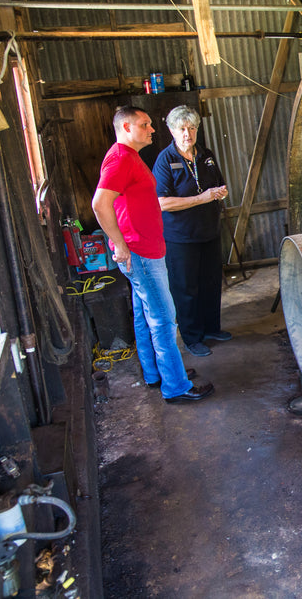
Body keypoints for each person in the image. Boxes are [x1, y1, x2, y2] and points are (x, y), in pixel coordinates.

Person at [92, 106, 214, 403]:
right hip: (140, 252)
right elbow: (99, 203)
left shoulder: (129, 156)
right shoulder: (121, 159)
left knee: (145, 317)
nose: (152, 129)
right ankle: (176, 386)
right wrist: (119, 244)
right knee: (163, 319)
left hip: (143, 248)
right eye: (144, 124)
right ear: (126, 128)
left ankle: (155, 374)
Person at [152, 105, 232, 357]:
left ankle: (211, 328)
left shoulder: (205, 155)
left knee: (210, 283)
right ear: (172, 131)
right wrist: (202, 198)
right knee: (186, 288)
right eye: (182, 129)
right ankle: (192, 337)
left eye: (192, 128)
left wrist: (220, 192)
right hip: (181, 237)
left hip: (208, 231)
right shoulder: (165, 160)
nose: (188, 133)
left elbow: (216, 185)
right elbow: (162, 202)